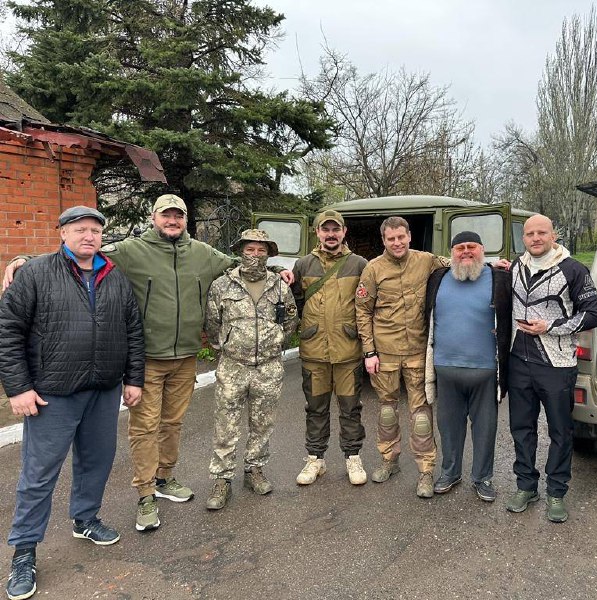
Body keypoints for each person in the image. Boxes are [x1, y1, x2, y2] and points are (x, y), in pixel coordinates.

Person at [2, 193, 293, 532]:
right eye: (166, 215)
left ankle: (165, 478)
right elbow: (85, 252)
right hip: (148, 358)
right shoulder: (131, 250)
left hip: (185, 357)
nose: (172, 221)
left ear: (185, 220)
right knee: (145, 427)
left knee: (172, 424)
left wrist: (278, 270)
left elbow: (241, 262)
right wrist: (25, 259)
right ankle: (145, 493)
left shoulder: (202, 253)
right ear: (154, 218)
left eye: (178, 215)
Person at [0, 206, 144, 600]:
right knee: (39, 474)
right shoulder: (35, 273)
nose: (89, 236)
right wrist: (18, 388)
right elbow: (8, 331)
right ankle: (24, 551)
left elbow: (133, 330)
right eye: (80, 229)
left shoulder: (115, 277)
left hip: (103, 390)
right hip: (53, 393)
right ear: (62, 233)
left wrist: (133, 378)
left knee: (97, 461)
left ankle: (85, 519)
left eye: (95, 230)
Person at [505, 214, 597, 522]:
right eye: (530, 233)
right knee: (521, 428)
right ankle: (526, 486)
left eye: (542, 233)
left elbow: (595, 314)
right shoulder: (515, 267)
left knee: (560, 431)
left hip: (557, 364)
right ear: (523, 238)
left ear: (553, 235)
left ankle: (556, 492)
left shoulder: (573, 269)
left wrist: (550, 326)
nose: (535, 238)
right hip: (519, 361)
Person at [203, 230, 298, 510]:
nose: (255, 255)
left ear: (268, 254)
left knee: (262, 423)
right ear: (240, 251)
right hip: (233, 367)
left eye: (261, 250)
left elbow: (290, 320)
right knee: (225, 425)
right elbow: (212, 323)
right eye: (250, 249)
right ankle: (222, 479)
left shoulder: (279, 286)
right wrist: (226, 346)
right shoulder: (222, 285)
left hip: (268, 368)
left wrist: (276, 342)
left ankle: (254, 470)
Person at [355, 216, 449, 498]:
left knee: (421, 415)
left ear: (409, 236)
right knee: (387, 410)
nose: (397, 243)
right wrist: (369, 352)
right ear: (384, 240)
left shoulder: (426, 261)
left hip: (417, 352)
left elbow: (459, 263)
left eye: (401, 237)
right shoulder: (373, 269)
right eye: (391, 238)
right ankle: (389, 460)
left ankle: (426, 470)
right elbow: (363, 311)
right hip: (384, 353)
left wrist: (494, 266)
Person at [424, 232, 512, 503]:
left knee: (485, 430)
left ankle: (482, 478)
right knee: (448, 428)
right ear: (451, 252)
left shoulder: (500, 278)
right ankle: (450, 473)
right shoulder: (437, 278)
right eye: (459, 248)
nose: (465, 252)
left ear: (482, 250)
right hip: (445, 369)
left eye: (471, 247)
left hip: (485, 370)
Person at [291, 210, 369, 487]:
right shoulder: (303, 265)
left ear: (344, 232)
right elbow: (295, 301)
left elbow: (367, 304)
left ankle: (353, 457)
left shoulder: (359, 265)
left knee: (350, 408)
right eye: (326, 229)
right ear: (317, 233)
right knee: (316, 408)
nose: (331, 234)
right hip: (314, 352)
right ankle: (315, 459)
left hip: (348, 351)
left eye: (336, 229)